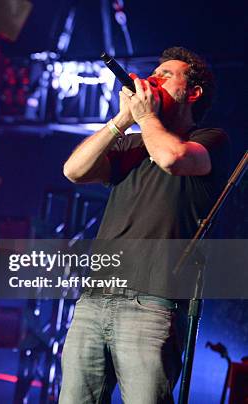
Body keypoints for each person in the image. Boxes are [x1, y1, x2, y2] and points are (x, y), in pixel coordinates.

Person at [59, 47, 230, 403]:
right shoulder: (132, 144)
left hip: (151, 305)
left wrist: (146, 117)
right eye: (154, 73)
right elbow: (74, 171)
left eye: (167, 75)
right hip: (93, 301)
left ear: (193, 92)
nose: (154, 78)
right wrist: (122, 120)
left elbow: (171, 158)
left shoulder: (208, 140)